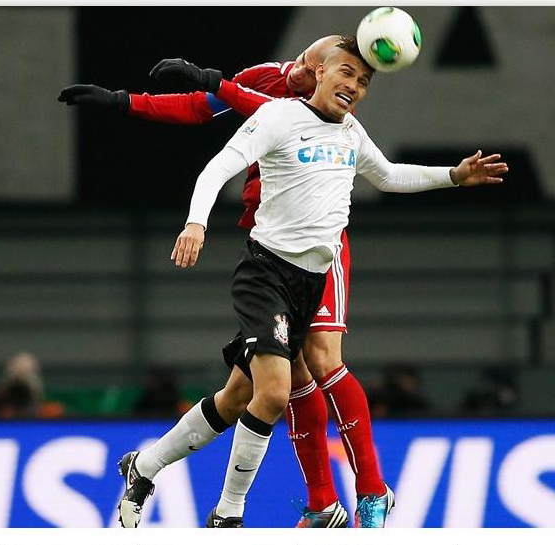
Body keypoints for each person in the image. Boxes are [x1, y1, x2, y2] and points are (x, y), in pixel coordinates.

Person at [112, 36, 507, 528]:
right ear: (319, 72)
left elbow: (388, 176)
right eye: (346, 72)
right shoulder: (278, 117)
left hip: (309, 284)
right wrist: (196, 222)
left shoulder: (350, 132)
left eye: (363, 81)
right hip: (266, 274)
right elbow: (218, 168)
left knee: (238, 396)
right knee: (276, 393)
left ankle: (143, 465)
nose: (353, 85)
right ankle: (228, 515)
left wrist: (453, 175)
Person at [60, 36, 393, 527]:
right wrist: (122, 102)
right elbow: (204, 107)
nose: (298, 72)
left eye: (310, 66)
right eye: (300, 62)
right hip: (272, 248)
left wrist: (213, 80)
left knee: (317, 362)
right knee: (251, 391)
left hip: (318, 245)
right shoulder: (270, 79)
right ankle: (151, 466)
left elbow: (245, 102)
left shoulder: (328, 110)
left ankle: (364, 491)